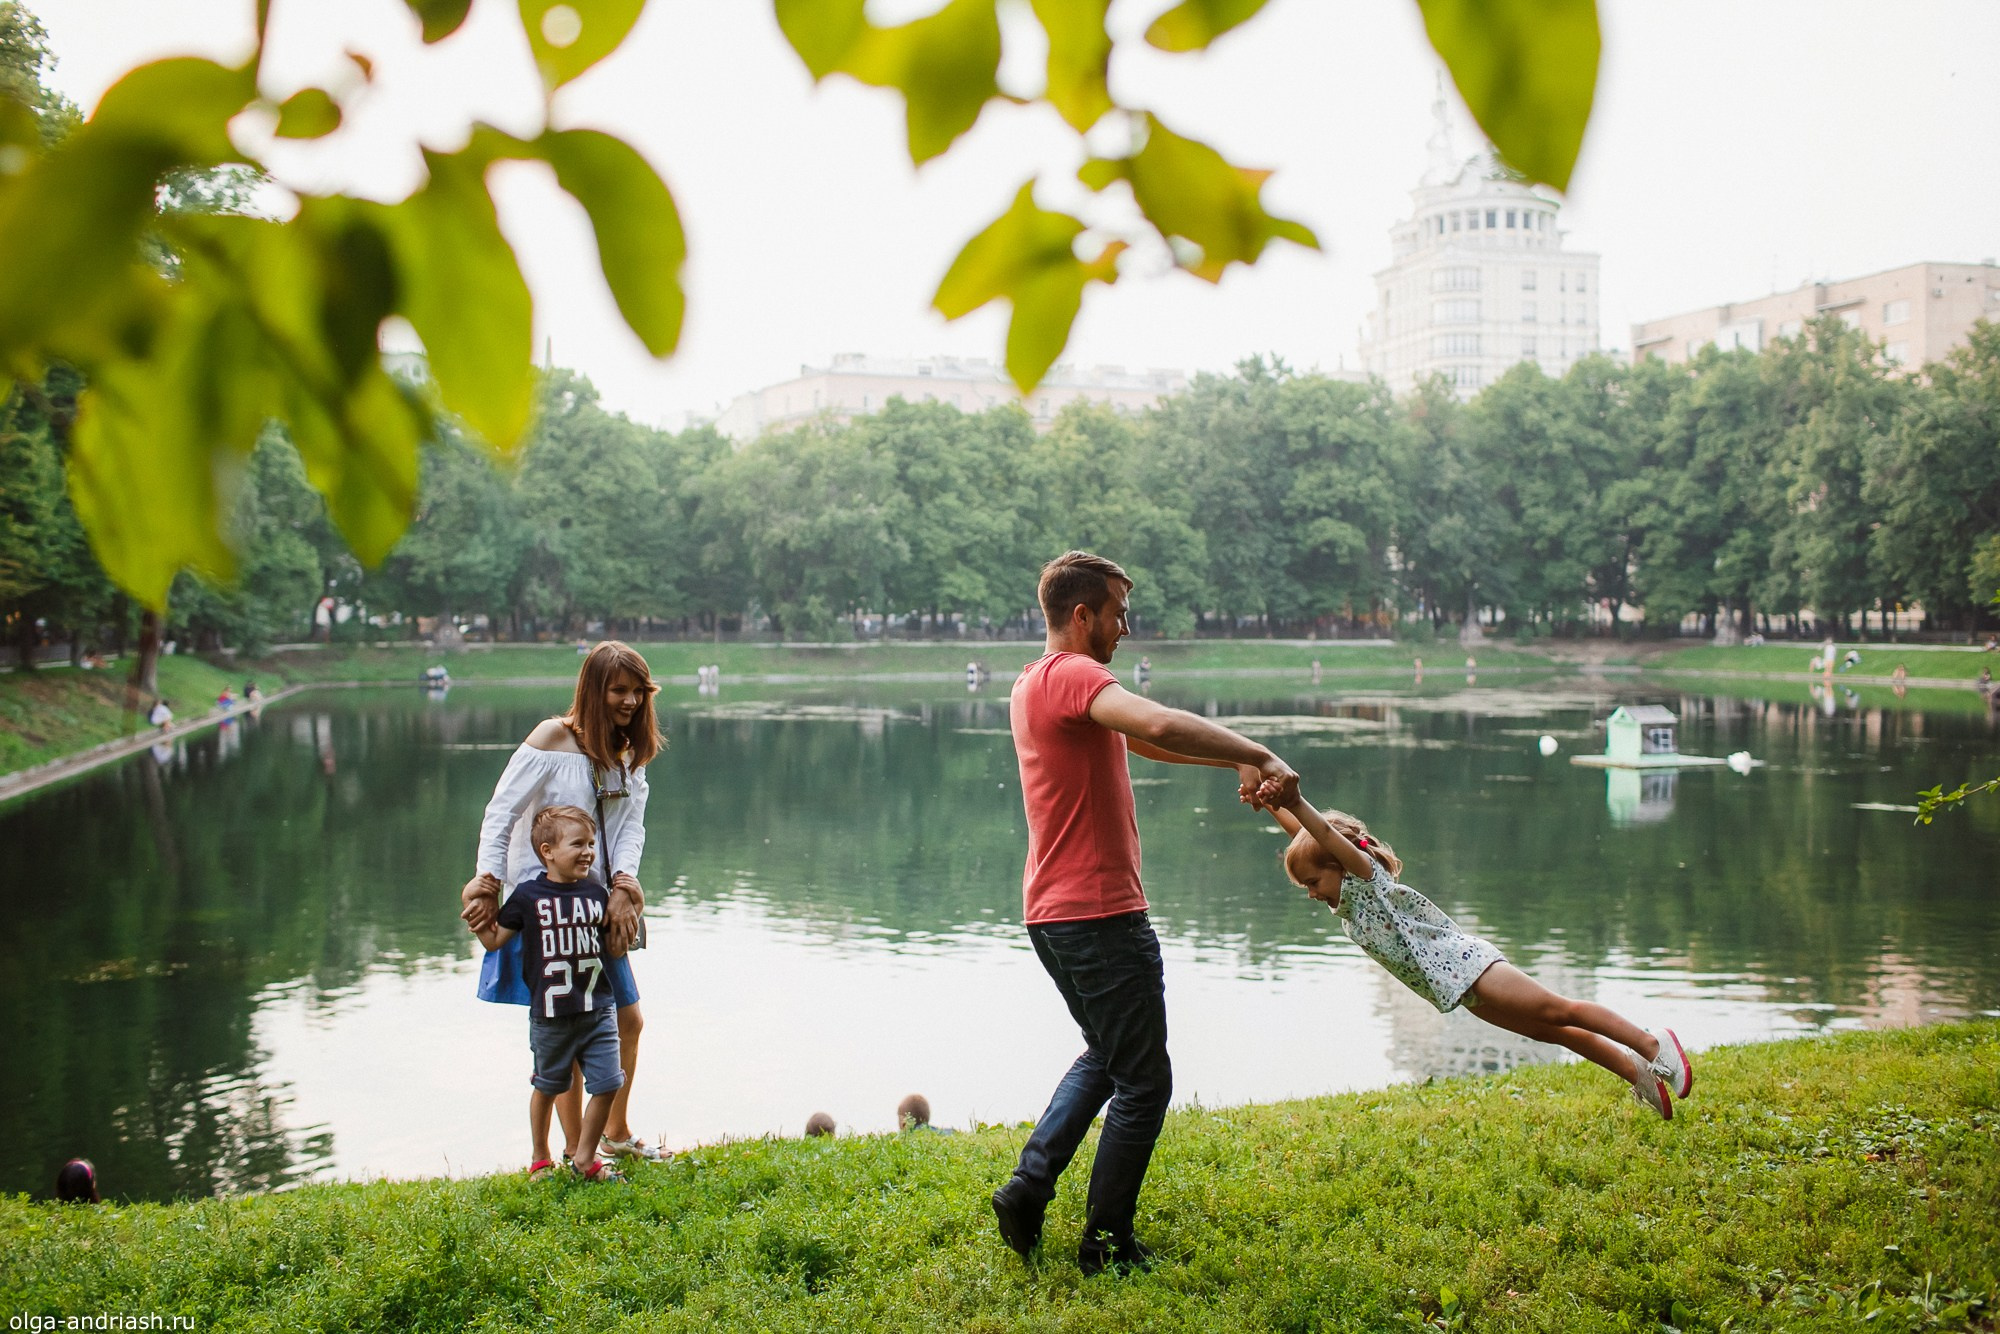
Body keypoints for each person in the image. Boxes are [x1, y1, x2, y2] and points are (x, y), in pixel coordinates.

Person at [990, 550, 1299, 1276]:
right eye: (1120, 612)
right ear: (1081, 615)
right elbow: (1156, 716)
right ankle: (1106, 1243)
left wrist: (1231, 763)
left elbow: (1142, 739)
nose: (1127, 627)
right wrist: (1259, 748)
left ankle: (1028, 1189)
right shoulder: (1073, 674)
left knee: (1108, 1055)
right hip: (1098, 914)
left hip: (1052, 913)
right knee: (1144, 1081)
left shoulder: (1034, 684)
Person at [1260, 795, 1693, 1120]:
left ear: (1338, 862)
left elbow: (1321, 835)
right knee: (1551, 1032)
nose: (1313, 893)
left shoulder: (1363, 880)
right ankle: (1635, 1074)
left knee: (1558, 1009)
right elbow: (1307, 842)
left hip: (1469, 965)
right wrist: (1272, 803)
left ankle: (1653, 1044)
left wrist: (1295, 799)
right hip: (1457, 988)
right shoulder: (1349, 905)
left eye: (1314, 882)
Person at [462, 641, 663, 1164]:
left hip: (599, 909)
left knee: (627, 1020)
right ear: (594, 689)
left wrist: (624, 885)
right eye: (619, 691)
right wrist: (487, 880)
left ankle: (615, 1130)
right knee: (570, 1028)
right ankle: (580, 1150)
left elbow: (630, 829)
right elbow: (500, 813)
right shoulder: (552, 739)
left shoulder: (626, 753)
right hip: (547, 912)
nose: (630, 702)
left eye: (638, 692)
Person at [468, 805, 628, 1183]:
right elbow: (493, 940)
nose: (588, 852)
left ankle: (585, 1159)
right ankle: (540, 1157)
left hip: (597, 1008)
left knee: (609, 1083)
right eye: (578, 844)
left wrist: (630, 912)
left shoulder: (596, 891)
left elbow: (613, 950)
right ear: (548, 852)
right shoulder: (527, 896)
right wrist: (470, 901)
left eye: (591, 843)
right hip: (551, 1015)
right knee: (547, 1086)